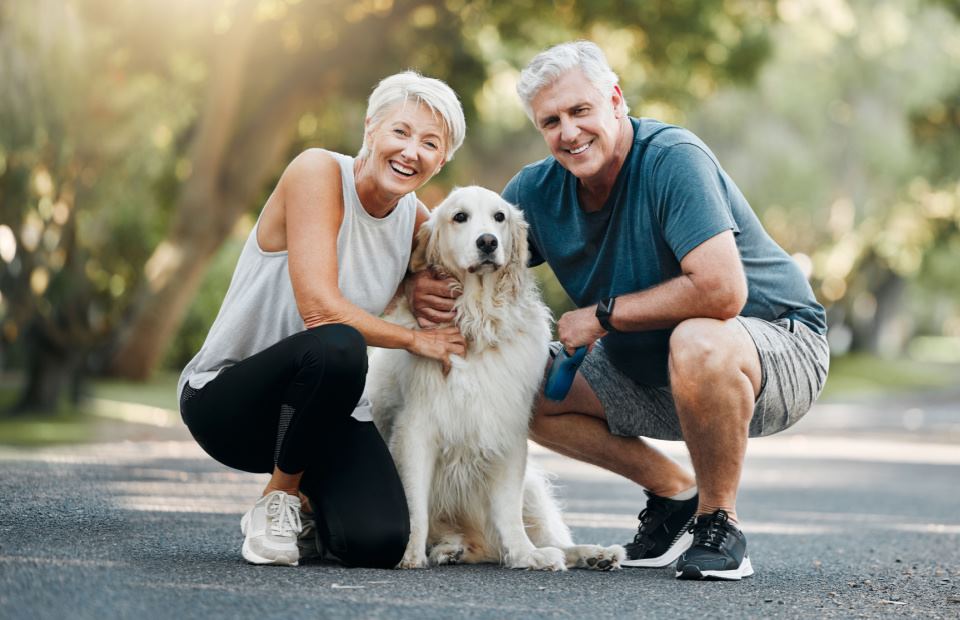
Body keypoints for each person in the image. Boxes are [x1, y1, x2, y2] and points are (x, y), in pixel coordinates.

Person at [411, 41, 829, 581]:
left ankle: (719, 523)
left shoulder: (672, 159)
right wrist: (420, 280)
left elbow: (723, 292)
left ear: (615, 99)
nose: (568, 132)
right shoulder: (535, 192)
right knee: (525, 387)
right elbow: (470, 240)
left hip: (774, 348)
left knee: (697, 339)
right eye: (551, 121)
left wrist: (602, 316)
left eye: (580, 111)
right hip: (649, 363)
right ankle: (675, 492)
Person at [177, 71, 467, 568]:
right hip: (230, 403)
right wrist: (416, 341)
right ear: (370, 128)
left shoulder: (420, 222)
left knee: (379, 543)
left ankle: (313, 512)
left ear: (440, 161)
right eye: (400, 131)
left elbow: (465, 274)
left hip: (323, 414)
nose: (411, 151)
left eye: (430, 143)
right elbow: (320, 310)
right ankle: (279, 499)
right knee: (339, 344)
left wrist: (415, 285)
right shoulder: (317, 171)